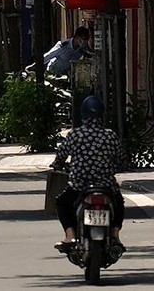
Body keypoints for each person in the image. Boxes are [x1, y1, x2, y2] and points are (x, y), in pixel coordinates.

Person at [52, 96, 125, 255]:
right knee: (119, 203)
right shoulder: (110, 135)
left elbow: (61, 155)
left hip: (79, 186)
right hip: (106, 186)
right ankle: (115, 236)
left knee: (62, 203)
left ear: (83, 115)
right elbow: (121, 159)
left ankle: (70, 236)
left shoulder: (75, 134)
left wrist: (57, 165)